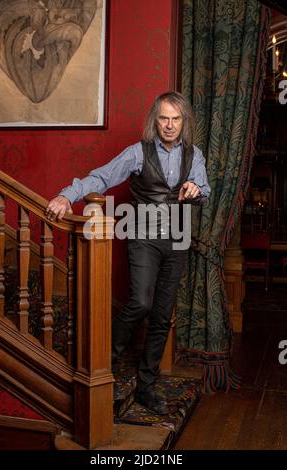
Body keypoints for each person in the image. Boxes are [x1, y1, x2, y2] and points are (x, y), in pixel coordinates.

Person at [46, 91, 211, 415]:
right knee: (140, 302)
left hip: (177, 239)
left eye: (176, 119)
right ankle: (104, 359)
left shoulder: (196, 156)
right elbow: (101, 177)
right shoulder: (137, 153)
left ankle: (146, 387)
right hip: (143, 235)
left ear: (184, 122)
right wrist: (67, 196)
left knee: (162, 316)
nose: (169, 125)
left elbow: (203, 189)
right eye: (164, 118)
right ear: (155, 120)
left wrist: (196, 189)